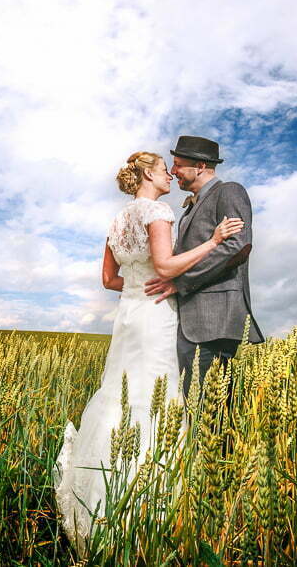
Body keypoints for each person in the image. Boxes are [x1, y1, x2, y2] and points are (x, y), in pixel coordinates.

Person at [51, 150, 243, 553]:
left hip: (129, 314)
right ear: (148, 175)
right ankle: (147, 509)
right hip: (155, 315)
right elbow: (167, 267)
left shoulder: (117, 220)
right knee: (153, 394)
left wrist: (139, 286)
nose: (170, 175)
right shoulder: (158, 212)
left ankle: (97, 502)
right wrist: (213, 240)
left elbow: (108, 279)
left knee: (121, 394)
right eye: (163, 170)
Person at [144, 135, 264, 400]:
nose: (173, 172)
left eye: (177, 164)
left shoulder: (229, 191)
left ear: (199, 166)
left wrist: (181, 283)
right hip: (191, 320)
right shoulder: (190, 207)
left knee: (210, 413)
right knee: (194, 408)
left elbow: (238, 246)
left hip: (214, 321)